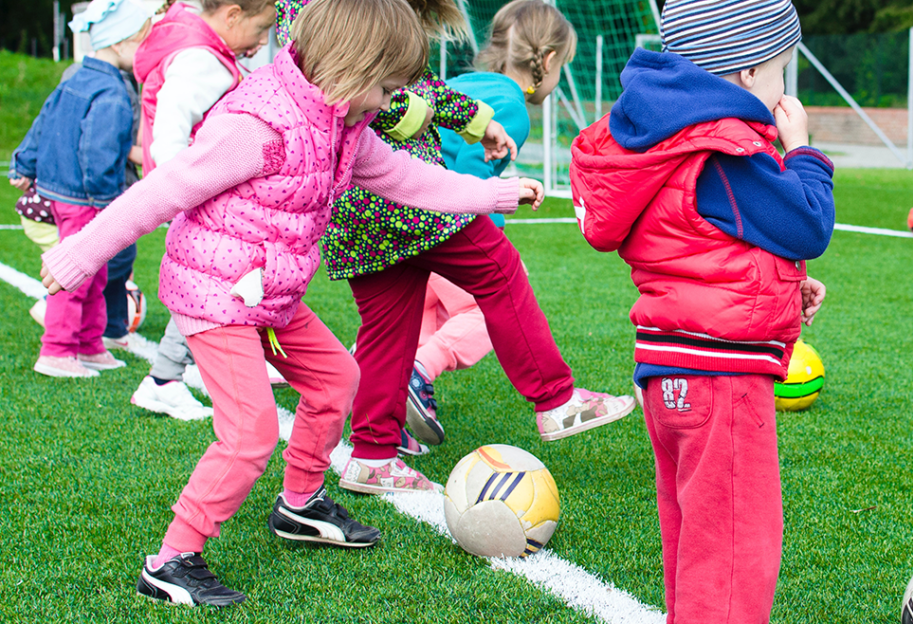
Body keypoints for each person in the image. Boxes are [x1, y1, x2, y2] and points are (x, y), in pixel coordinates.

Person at [39, 0, 543, 606]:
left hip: (269, 293)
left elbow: (411, 180)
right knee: (250, 433)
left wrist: (495, 193)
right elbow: (164, 189)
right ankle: (171, 560)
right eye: (384, 88)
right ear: (350, 70)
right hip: (216, 295)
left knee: (338, 380)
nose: (389, 105)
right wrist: (80, 255)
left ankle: (300, 505)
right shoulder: (260, 124)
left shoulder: (343, 125)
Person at [569, 1, 835, 622]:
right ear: (745, 73)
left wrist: (782, 283)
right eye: (780, 73)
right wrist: (803, 152)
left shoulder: (663, 137)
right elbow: (807, 223)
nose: (782, 91)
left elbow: (698, 242)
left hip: (671, 370)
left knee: (698, 544)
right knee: (737, 555)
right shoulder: (721, 146)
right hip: (723, 376)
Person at [316, 0, 634, 496]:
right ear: (546, 61)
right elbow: (397, 98)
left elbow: (410, 92)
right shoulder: (362, 24)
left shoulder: (338, 19)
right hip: (409, 197)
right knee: (500, 270)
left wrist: (469, 118)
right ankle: (555, 398)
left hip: (356, 205)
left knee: (388, 324)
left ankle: (372, 454)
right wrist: (486, 188)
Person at [405, 0, 576, 450]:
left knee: (419, 315)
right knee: (484, 309)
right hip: (440, 223)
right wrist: (488, 238)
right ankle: (419, 372)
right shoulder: (512, 109)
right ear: (550, 61)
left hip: (399, 216)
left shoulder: (461, 85)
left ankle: (392, 408)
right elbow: (470, 170)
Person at [127, 0, 277, 421]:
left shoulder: (193, 41)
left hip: (198, 190)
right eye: (261, 28)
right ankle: (164, 380)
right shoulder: (201, 58)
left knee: (215, 283)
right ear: (232, 15)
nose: (263, 41)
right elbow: (171, 128)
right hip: (201, 193)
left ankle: (165, 378)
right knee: (215, 284)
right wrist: (184, 184)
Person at [9, 0, 152, 378]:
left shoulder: (76, 77)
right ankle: (56, 350)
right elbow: (98, 152)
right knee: (76, 275)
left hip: (64, 192)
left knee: (96, 273)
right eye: (143, 42)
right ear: (120, 43)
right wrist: (108, 203)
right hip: (86, 199)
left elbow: (43, 120)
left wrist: (24, 162)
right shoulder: (113, 93)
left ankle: (89, 344)